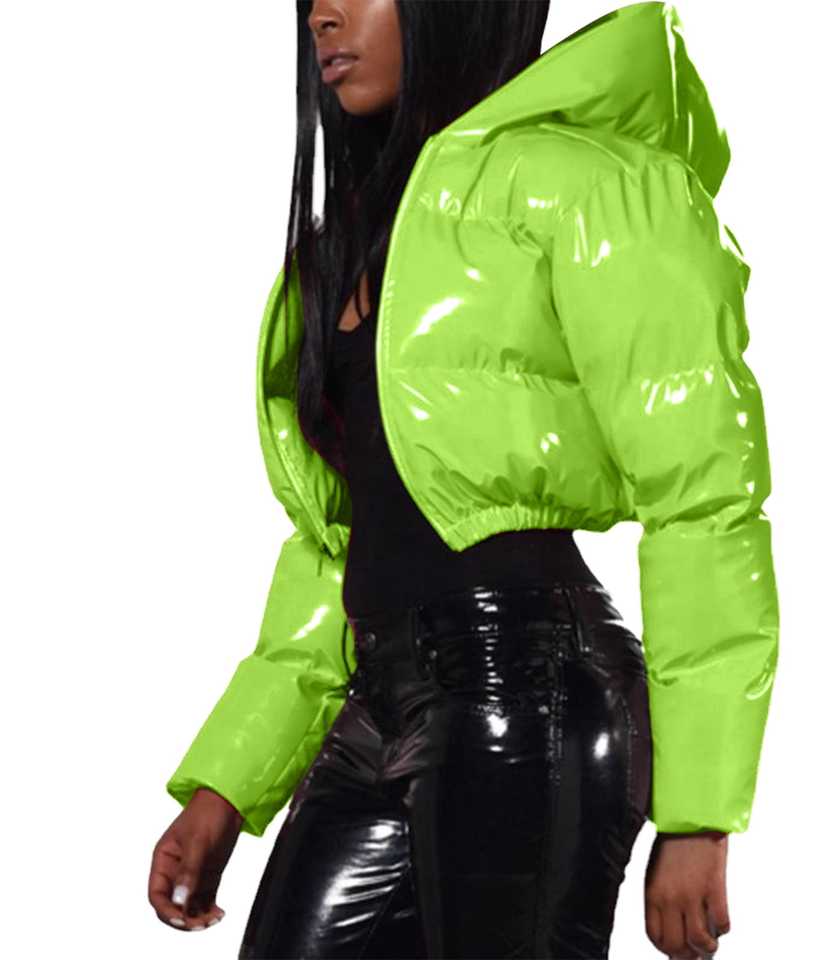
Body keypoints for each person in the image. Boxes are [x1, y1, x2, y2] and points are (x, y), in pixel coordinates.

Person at [148, 2, 780, 958]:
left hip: (530, 687)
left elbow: (705, 499)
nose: (322, 14)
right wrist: (226, 788)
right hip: (380, 697)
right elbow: (343, 536)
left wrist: (699, 815)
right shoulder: (352, 238)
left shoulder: (596, 187)